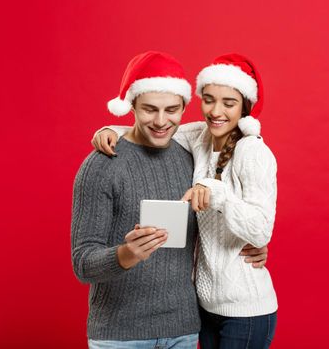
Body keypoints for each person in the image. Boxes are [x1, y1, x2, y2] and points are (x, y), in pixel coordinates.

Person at [71, 51, 267, 349]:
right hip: (119, 334)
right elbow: (82, 263)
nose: (161, 121)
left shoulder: (191, 157)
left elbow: (222, 222)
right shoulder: (102, 164)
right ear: (132, 106)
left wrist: (254, 242)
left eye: (171, 110)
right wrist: (126, 254)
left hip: (184, 330)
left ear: (185, 107)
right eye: (149, 109)